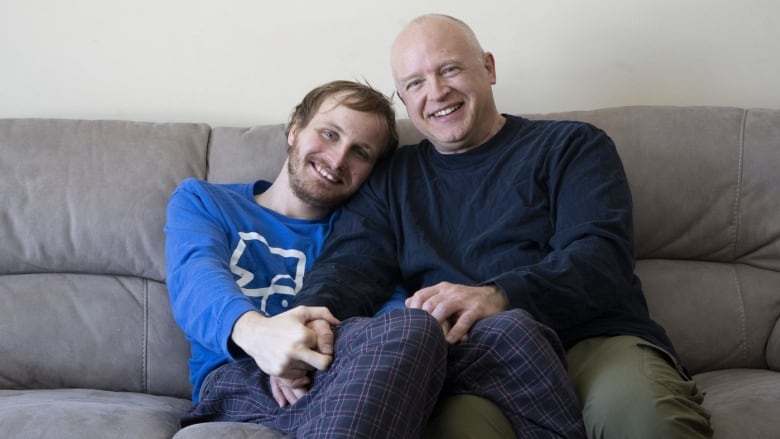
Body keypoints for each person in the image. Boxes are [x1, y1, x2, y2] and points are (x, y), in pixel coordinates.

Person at [294, 14, 714, 439]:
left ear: (489, 68)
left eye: (450, 69)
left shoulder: (571, 146)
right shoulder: (390, 180)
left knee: (642, 420)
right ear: (404, 98)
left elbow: (601, 258)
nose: (437, 92)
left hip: (594, 342)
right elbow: (348, 268)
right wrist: (306, 326)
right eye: (415, 83)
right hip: (476, 361)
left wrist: (500, 295)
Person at [165, 80, 442, 437]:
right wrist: (261, 336)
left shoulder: (365, 238)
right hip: (238, 374)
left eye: (360, 152)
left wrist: (307, 359)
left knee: (414, 329)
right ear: (295, 127)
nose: (338, 158)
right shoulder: (205, 201)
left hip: (334, 371)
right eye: (329, 133)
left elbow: (390, 321)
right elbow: (196, 279)